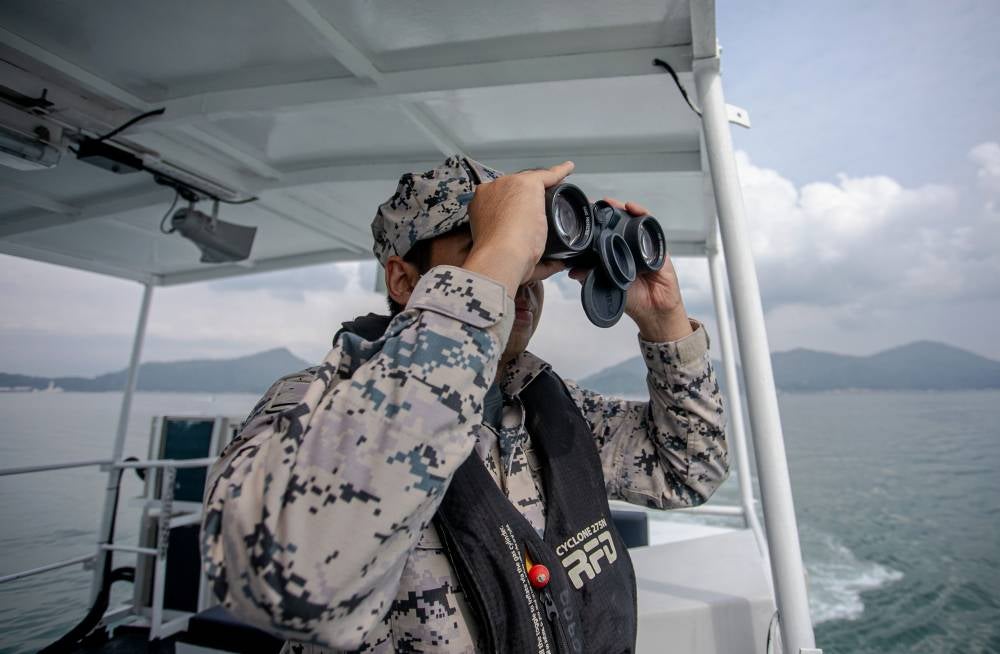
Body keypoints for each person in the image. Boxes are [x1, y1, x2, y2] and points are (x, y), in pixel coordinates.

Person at [201, 155, 728, 653]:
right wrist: (496, 260)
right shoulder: (319, 407)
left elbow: (687, 470)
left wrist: (665, 324)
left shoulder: (544, 406)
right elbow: (292, 580)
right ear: (404, 280)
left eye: (535, 253)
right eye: (490, 248)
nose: (524, 277)